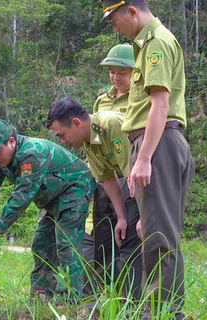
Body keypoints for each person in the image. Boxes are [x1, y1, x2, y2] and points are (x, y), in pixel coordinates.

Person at [101, 0, 195, 318]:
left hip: (159, 143)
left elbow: (159, 104)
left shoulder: (155, 43)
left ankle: (162, 314)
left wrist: (143, 159)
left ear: (131, 11)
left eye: (115, 20)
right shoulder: (147, 45)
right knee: (155, 233)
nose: (115, 28)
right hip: (161, 143)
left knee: (159, 240)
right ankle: (158, 311)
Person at [0, 119, 95, 302]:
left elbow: (20, 199)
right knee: (41, 243)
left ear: (11, 142)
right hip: (51, 197)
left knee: (66, 243)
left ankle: (70, 300)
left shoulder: (32, 153)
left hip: (74, 189)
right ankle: (42, 296)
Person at [47, 97, 142, 299]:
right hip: (133, 182)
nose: (63, 142)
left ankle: (135, 305)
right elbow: (108, 179)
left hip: (152, 176)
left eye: (62, 135)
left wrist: (145, 214)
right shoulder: (88, 143)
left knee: (133, 243)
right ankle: (123, 301)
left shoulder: (109, 125)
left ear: (76, 123)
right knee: (123, 234)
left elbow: (134, 173)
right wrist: (121, 217)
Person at [83, 43, 139, 298]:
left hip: (132, 172)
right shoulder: (102, 99)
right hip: (107, 175)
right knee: (104, 231)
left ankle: (132, 292)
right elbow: (94, 137)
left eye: (122, 73)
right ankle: (105, 292)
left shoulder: (141, 97)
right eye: (111, 72)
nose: (116, 78)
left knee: (129, 233)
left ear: (134, 72)